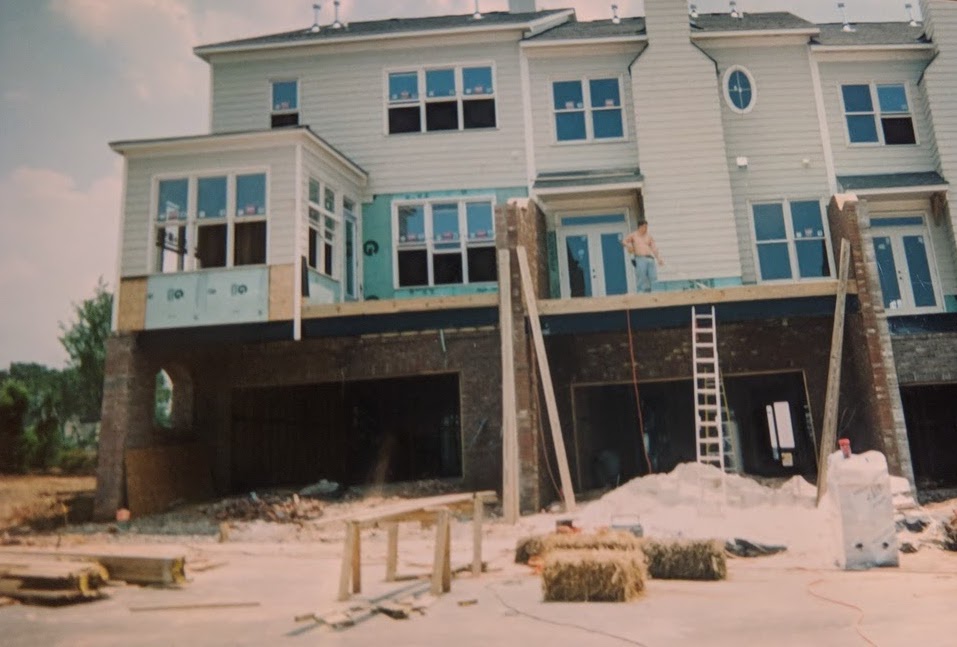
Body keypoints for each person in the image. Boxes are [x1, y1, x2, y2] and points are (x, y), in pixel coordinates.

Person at [621, 221, 664, 292]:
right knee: (641, 277)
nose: (646, 229)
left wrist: (659, 258)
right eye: (644, 227)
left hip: (650, 258)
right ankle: (641, 293)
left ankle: (655, 292)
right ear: (640, 227)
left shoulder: (649, 236)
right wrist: (628, 245)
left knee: (653, 277)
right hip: (640, 258)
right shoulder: (633, 235)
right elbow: (624, 241)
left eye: (647, 227)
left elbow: (654, 248)